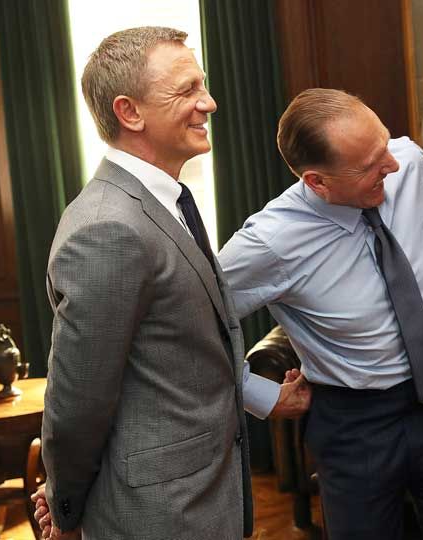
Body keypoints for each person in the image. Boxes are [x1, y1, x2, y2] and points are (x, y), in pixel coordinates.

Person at [36, 27, 310, 540]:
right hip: (160, 515)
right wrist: (64, 503)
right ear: (129, 112)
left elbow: (187, 357)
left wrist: (268, 399)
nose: (209, 102)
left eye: (201, 85)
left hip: (201, 498)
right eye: (186, 90)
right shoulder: (106, 228)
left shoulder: (165, 201)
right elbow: (79, 400)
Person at [217, 88, 423, 539]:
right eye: (369, 165)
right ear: (317, 182)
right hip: (357, 427)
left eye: (384, 145)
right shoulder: (268, 243)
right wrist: (259, 396)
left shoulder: (408, 162)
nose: (391, 165)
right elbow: (190, 326)